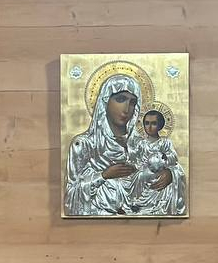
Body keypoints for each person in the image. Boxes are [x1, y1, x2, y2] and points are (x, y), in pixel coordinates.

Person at [64, 75, 187, 216]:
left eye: (133, 102)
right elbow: (71, 197)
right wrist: (104, 175)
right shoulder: (84, 144)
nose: (127, 108)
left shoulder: (141, 143)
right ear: (105, 100)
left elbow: (173, 166)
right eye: (120, 99)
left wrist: (171, 175)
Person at [124, 109, 186, 215]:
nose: (149, 127)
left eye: (153, 123)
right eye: (147, 123)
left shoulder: (164, 142)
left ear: (160, 125)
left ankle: (157, 204)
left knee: (154, 178)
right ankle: (136, 202)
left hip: (159, 171)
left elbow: (173, 157)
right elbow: (135, 156)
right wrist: (127, 147)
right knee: (139, 176)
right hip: (144, 171)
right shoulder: (142, 144)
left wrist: (164, 158)